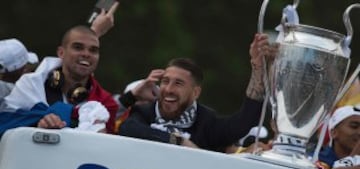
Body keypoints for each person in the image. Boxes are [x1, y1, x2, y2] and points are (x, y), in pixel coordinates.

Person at [118, 33, 270, 152]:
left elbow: (244, 122)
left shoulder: (207, 123)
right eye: (165, 81)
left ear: (196, 92)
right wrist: (179, 141)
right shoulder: (144, 112)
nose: (169, 89)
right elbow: (128, 128)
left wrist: (258, 68)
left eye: (178, 83)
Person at [1, 25, 119, 134]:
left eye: (93, 50)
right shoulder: (30, 84)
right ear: (61, 52)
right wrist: (36, 124)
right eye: (78, 47)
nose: (86, 54)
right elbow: (6, 123)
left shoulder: (106, 103)